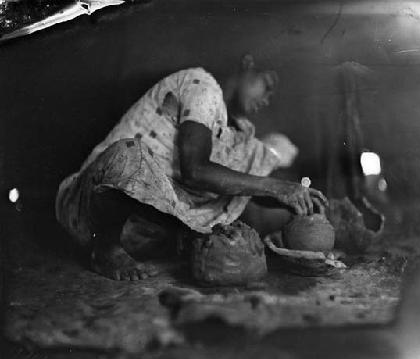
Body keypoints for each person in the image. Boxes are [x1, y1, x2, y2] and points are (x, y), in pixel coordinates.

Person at [55, 54, 328, 281]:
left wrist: (290, 199)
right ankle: (106, 250)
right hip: (89, 209)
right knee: (127, 153)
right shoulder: (202, 86)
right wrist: (276, 187)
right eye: (267, 84)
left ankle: (133, 247)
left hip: (139, 231)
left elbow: (240, 185)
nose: (268, 98)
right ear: (248, 64)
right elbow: (195, 171)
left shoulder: (234, 129)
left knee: (227, 245)